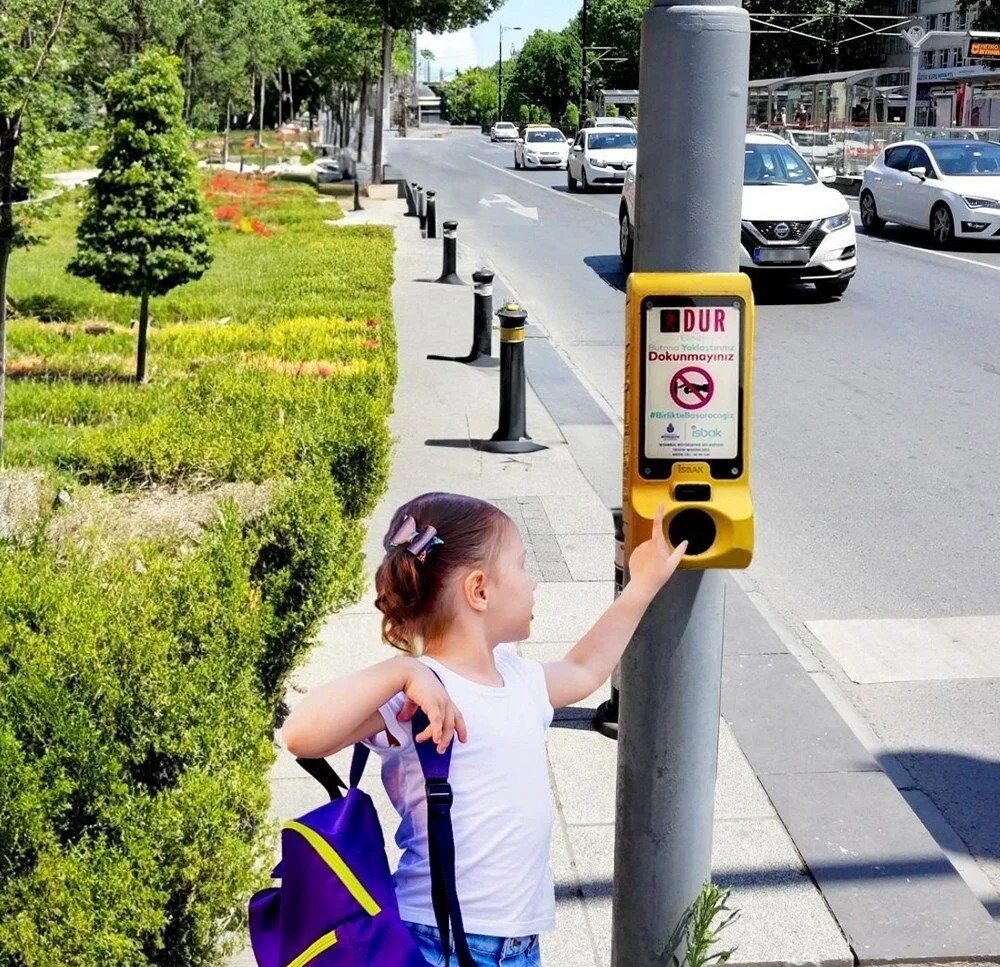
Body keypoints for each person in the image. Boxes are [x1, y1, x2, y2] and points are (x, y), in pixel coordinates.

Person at [282, 492, 688, 967]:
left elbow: (584, 668)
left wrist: (642, 584)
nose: (533, 582)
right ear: (479, 591)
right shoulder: (420, 693)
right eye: (521, 566)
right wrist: (401, 672)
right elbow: (301, 733)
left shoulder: (518, 677)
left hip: (519, 946)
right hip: (436, 941)